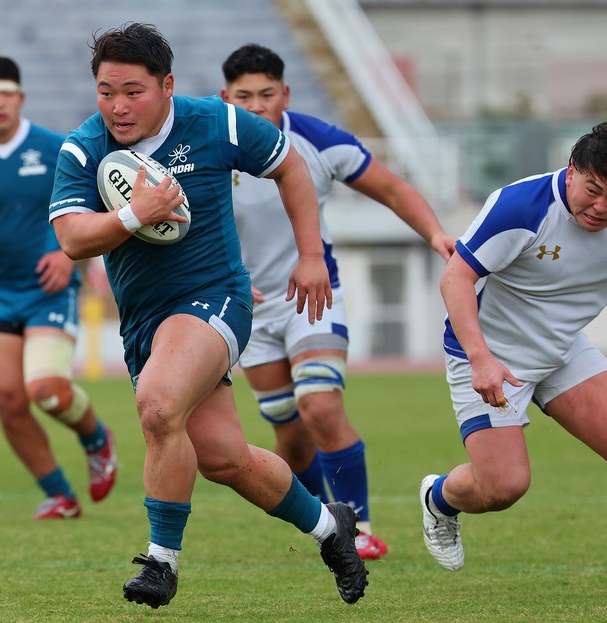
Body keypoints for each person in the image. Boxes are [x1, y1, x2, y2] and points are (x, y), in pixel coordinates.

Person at [48, 23, 368, 608]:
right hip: (146, 324)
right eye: (105, 91)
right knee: (224, 458)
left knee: (158, 404)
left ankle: (161, 564)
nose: (118, 107)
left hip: (217, 296)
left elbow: (290, 167)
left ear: (167, 86)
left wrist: (311, 255)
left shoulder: (216, 123)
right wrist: (133, 214)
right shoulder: (83, 147)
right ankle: (331, 527)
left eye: (133, 91)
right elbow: (71, 238)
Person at [422, 121, 607, 594]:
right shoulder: (519, 206)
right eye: (593, 190)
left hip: (563, 348)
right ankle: (439, 499)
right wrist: (480, 357)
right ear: (571, 171)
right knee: (503, 487)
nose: (602, 207)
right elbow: (454, 279)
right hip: (491, 352)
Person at [220, 44, 455, 561]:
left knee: (321, 406)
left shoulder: (318, 142)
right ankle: (327, 526)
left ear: (285, 93)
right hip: (246, 308)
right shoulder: (211, 144)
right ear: (226, 98)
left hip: (313, 295)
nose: (256, 106)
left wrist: (435, 233)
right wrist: (220, 275)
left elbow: (392, 190)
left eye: (266, 94)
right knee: (291, 433)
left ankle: (359, 526)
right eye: (244, 97)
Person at [0, 55, 117, 520]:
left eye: (6, 94)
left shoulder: (58, 148)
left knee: (47, 390)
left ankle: (97, 440)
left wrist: (65, 252)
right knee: (9, 401)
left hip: (49, 289)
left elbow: (98, 207)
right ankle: (60, 495)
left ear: (21, 98)